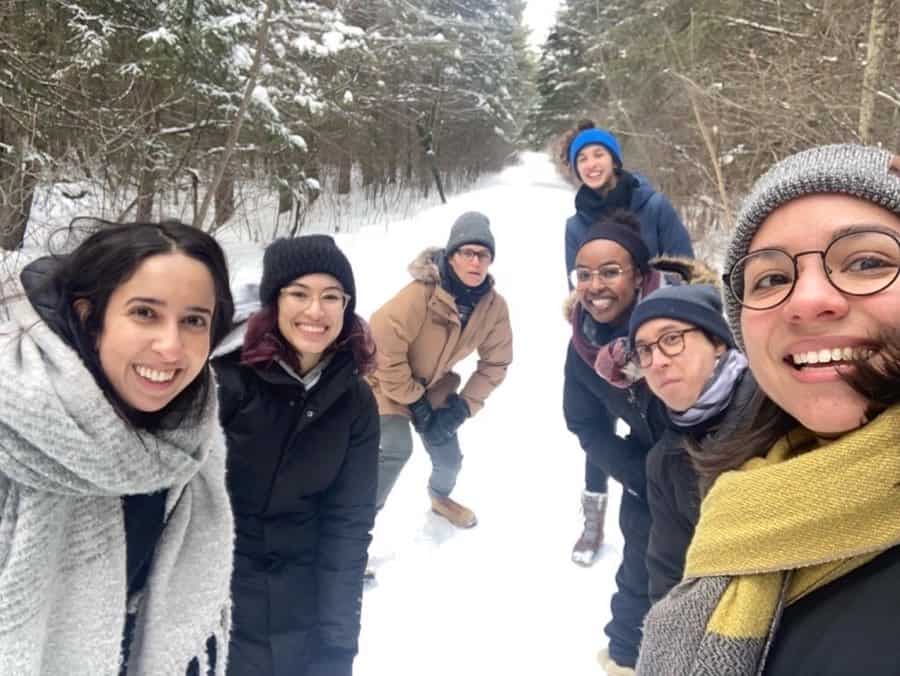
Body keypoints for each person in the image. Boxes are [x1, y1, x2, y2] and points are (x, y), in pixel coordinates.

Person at [637, 144, 900, 675]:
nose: (806, 300)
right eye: (772, 278)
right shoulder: (741, 487)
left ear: (719, 344)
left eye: (868, 261)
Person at [0, 220, 235, 675]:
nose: (171, 347)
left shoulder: (190, 426)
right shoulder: (14, 425)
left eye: (193, 320)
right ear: (92, 318)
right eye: (145, 313)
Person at [213, 235, 379, 676]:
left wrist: (338, 647)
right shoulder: (226, 382)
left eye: (331, 297)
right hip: (217, 601)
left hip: (300, 608)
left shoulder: (356, 401)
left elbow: (348, 527)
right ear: (273, 301)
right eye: (299, 294)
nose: (316, 312)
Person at [562, 209, 712, 675]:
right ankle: (626, 661)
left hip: (722, 473)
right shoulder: (584, 344)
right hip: (650, 477)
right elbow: (583, 422)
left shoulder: (689, 319)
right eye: (584, 274)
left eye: (610, 271)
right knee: (639, 575)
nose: (594, 285)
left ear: (640, 274)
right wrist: (640, 474)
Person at [560, 120, 695, 565]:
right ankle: (593, 516)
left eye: (597, 154)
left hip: (658, 324)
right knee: (598, 420)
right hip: (604, 334)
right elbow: (578, 278)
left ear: (613, 158)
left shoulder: (651, 203)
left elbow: (684, 264)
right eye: (582, 159)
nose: (591, 164)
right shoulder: (575, 221)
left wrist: (669, 315)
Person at [369, 211, 513, 528]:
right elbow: (381, 345)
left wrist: (461, 408)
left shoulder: (494, 307)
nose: (476, 262)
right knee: (395, 449)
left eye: (484, 255)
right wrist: (414, 401)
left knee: (449, 458)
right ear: (452, 255)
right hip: (384, 382)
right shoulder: (420, 295)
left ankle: (440, 498)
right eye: (467, 253)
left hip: (432, 385)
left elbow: (496, 362)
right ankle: (355, 527)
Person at [626, 284, 756, 602]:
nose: (657, 361)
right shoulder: (666, 461)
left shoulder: (777, 402)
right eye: (645, 350)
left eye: (672, 339)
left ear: (717, 343)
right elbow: (669, 572)